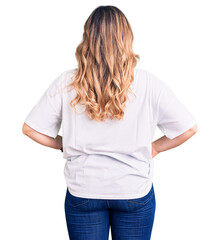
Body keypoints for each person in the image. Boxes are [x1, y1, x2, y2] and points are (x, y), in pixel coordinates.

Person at [22, 5, 198, 240]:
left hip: (85, 190)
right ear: (126, 37)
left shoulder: (68, 82)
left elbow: (30, 128)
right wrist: (154, 148)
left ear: (88, 39)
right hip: (133, 190)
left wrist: (65, 144)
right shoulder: (148, 83)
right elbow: (188, 128)